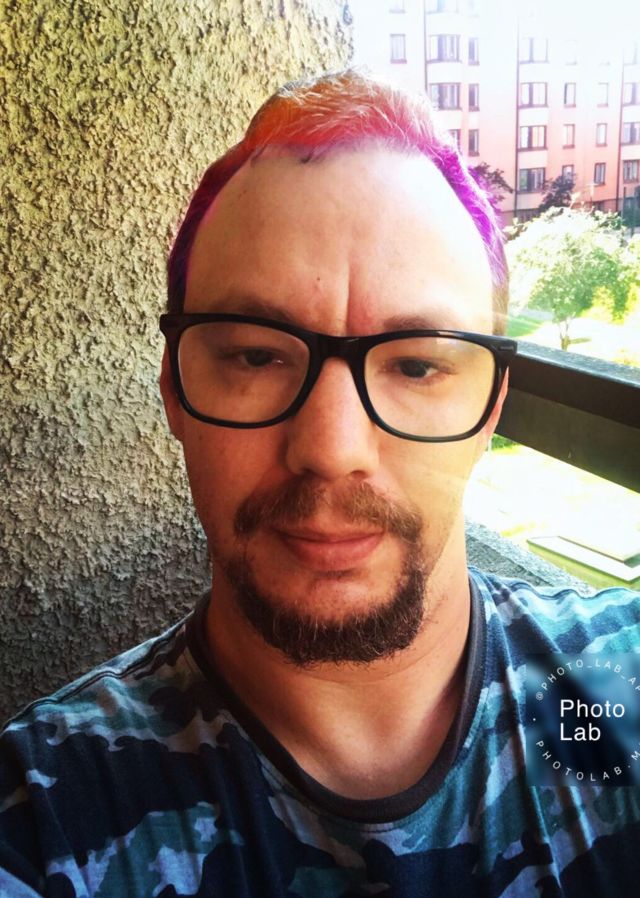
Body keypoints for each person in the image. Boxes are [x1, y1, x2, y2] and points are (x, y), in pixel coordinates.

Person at [1, 70, 639, 898]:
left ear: (490, 408)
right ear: (173, 390)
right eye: (255, 355)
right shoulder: (40, 818)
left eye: (417, 365)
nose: (331, 450)